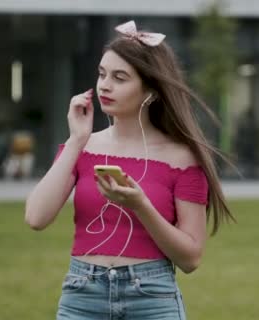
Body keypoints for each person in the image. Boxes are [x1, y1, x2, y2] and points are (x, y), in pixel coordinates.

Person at [25, 20, 234, 319]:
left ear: (151, 90)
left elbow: (191, 258)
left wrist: (140, 205)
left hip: (151, 297)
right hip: (82, 295)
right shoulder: (81, 147)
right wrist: (75, 140)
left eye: (120, 78)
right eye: (102, 74)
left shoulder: (183, 158)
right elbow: (35, 217)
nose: (105, 85)